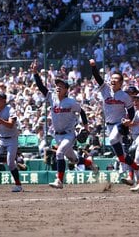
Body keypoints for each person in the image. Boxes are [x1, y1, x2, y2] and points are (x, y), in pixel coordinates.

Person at [31, 61, 89, 189]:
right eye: (57, 85)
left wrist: (86, 127)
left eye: (61, 85)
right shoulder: (52, 97)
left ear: (66, 90)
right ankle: (91, 163)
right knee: (73, 159)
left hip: (69, 134)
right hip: (57, 135)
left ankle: (59, 181)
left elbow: (82, 112)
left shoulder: (71, 102)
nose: (58, 87)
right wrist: (35, 73)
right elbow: (41, 87)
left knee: (59, 153)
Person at [89, 59, 139, 175]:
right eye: (112, 78)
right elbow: (97, 77)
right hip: (109, 125)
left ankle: (125, 165)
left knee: (113, 140)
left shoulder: (125, 96)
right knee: (120, 152)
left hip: (120, 124)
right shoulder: (105, 89)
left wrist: (130, 122)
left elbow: (131, 111)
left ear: (121, 82)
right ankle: (135, 167)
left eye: (116, 79)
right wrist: (93, 67)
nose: (113, 80)